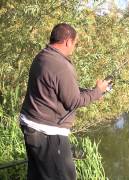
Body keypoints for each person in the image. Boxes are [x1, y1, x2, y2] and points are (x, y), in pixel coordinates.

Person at [19, 23, 111, 180]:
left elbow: (59, 90)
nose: (74, 47)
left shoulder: (43, 56)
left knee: (38, 176)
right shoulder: (61, 65)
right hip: (48, 134)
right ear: (68, 41)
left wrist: (91, 92)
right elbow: (73, 101)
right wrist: (98, 91)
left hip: (31, 126)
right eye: (75, 43)